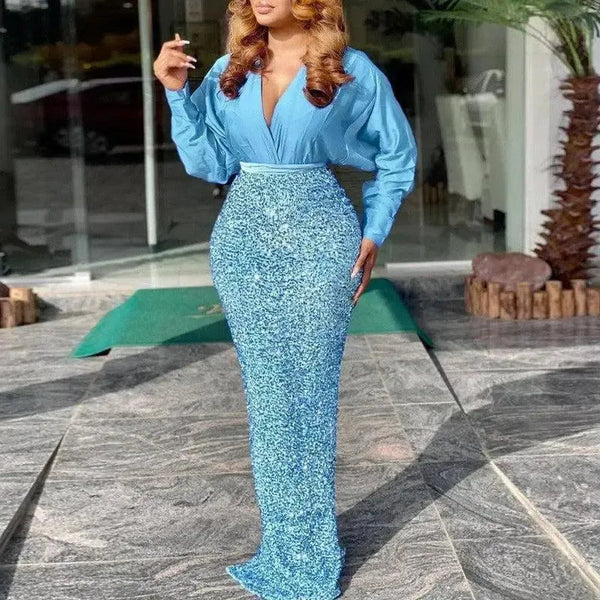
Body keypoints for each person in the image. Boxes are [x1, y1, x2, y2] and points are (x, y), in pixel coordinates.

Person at [153, 1, 417, 598]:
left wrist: (374, 231)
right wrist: (175, 93)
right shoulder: (230, 67)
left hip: (321, 240)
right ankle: (282, 545)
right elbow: (209, 163)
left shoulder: (351, 69)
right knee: (269, 397)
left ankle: (311, 550)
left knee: (311, 394)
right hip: (243, 242)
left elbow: (396, 156)